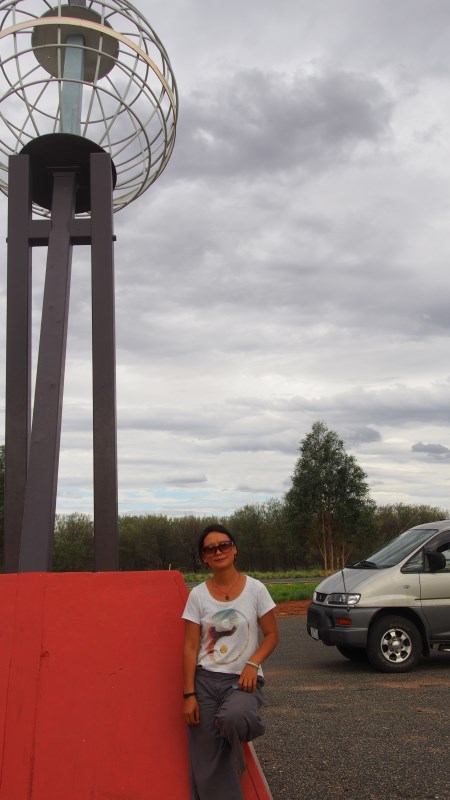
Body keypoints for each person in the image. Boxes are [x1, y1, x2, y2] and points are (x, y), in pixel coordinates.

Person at [182, 524, 279, 800]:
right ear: (204, 557)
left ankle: (244, 728)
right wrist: (188, 694)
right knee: (206, 756)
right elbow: (190, 647)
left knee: (234, 718)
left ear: (235, 549)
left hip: (242, 680)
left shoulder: (256, 589)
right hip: (205, 680)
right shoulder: (198, 595)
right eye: (210, 549)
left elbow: (272, 635)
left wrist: (253, 663)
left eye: (224, 545)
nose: (218, 551)